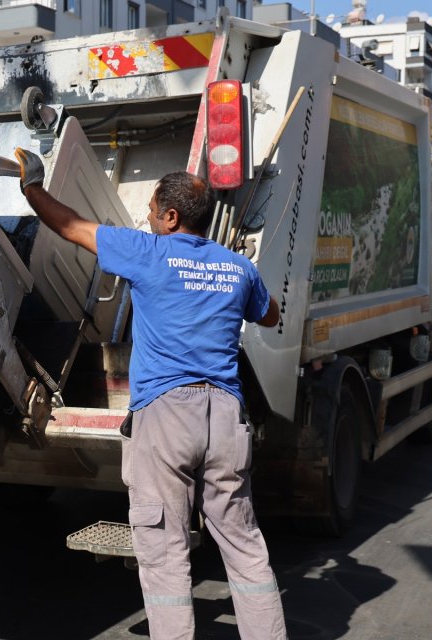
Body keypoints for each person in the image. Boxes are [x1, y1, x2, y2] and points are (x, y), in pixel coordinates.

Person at [15, 148, 287, 640]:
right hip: (226, 418)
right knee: (244, 546)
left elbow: (71, 226)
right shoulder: (237, 268)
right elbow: (271, 316)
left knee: (164, 553)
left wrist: (32, 187)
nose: (146, 215)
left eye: (152, 208)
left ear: (171, 216)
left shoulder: (147, 252)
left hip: (166, 419)